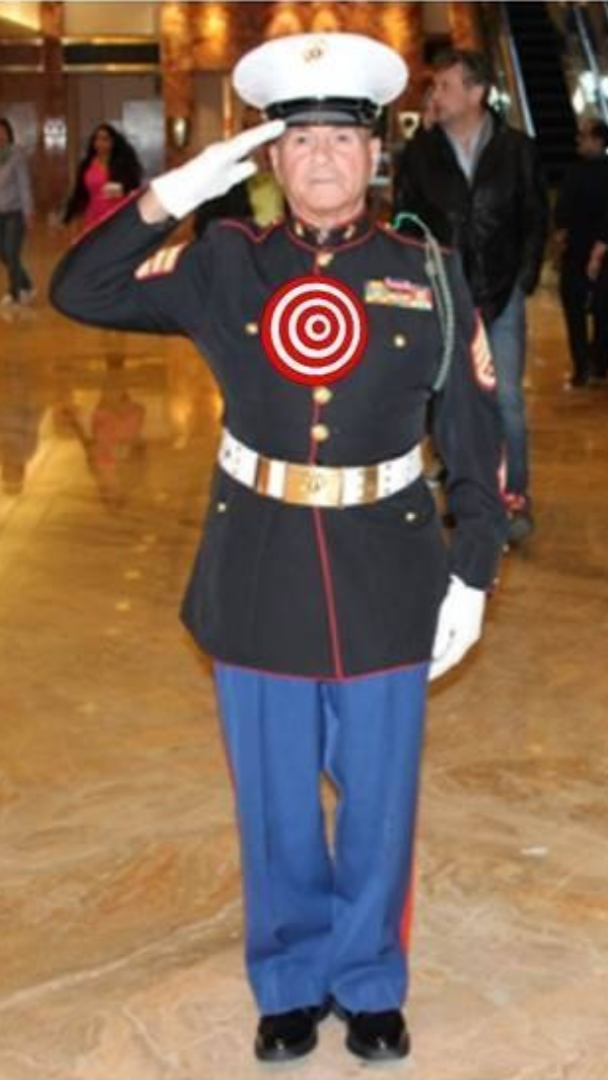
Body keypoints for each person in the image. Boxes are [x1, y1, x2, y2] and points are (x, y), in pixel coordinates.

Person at [51, 32, 505, 1064]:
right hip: (255, 566)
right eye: (297, 141)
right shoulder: (223, 265)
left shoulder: (425, 272)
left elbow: (477, 433)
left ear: (373, 151)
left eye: (340, 139)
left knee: (380, 801)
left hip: (389, 569)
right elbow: (83, 291)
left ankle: (369, 981)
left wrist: (472, 567)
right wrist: (170, 193)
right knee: (273, 804)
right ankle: (292, 980)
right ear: (270, 160)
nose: (320, 160)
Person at [394, 49, 549, 546]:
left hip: (502, 298)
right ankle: (467, 496)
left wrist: (522, 281)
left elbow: (535, 219)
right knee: (449, 402)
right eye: (435, 86)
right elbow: (405, 224)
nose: (434, 95)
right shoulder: (420, 156)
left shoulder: (518, 150)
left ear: (476, 92)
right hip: (444, 298)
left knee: (505, 401)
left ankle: (514, 495)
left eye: (444, 86)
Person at [554, 118, 608, 387]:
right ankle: (598, 363)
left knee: (576, 312)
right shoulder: (578, 171)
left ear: (599, 140)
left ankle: (583, 367)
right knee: (601, 311)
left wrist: (561, 240)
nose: (579, 141)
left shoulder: (574, 173)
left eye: (584, 136)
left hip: (580, 251)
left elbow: (562, 214)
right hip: (597, 251)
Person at [193, 105, 284, 237]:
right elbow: (204, 228)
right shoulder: (225, 174)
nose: (258, 136)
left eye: (263, 127)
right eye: (250, 127)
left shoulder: (294, 171)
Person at [63, 122, 143, 231]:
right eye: (97, 139)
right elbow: (79, 192)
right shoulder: (86, 164)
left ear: (113, 142)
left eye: (105, 139)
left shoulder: (122, 163)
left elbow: (134, 185)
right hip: (94, 215)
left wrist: (121, 188)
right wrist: (68, 217)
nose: (100, 143)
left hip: (118, 215)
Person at [0, 117, 35, 308]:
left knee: (11, 252)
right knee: (3, 254)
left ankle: (14, 293)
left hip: (14, 212)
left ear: (8, 133)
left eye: (2, 131)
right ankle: (27, 284)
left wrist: (28, 212)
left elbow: (24, 185)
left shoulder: (16, 155)